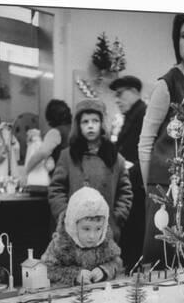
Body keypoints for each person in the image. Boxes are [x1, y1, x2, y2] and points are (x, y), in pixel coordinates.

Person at [138, 13, 184, 267]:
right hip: (166, 190)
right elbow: (145, 143)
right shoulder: (167, 85)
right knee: (163, 265)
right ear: (175, 41)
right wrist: (152, 190)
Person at [48, 98, 133, 245]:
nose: (90, 126)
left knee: (105, 267)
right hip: (73, 231)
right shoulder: (68, 156)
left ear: (102, 124)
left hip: (107, 231)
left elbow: (125, 191)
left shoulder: (115, 158)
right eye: (85, 122)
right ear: (78, 126)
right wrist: (65, 216)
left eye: (95, 121)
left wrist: (116, 217)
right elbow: (56, 189)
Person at [41, 187, 124, 285]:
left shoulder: (105, 243)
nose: (92, 236)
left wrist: (104, 270)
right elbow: (47, 269)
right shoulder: (61, 244)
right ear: (73, 225)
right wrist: (75, 275)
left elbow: (117, 262)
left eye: (98, 229)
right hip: (68, 297)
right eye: (86, 229)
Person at [109, 75, 147, 270]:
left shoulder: (143, 114)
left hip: (136, 186)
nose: (117, 99)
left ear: (134, 91)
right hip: (129, 185)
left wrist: (130, 169)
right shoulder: (131, 115)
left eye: (120, 94)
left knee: (134, 235)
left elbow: (149, 151)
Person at [24, 99, 72, 175]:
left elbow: (42, 153)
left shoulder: (55, 132)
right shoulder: (74, 129)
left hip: (61, 175)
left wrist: (27, 170)